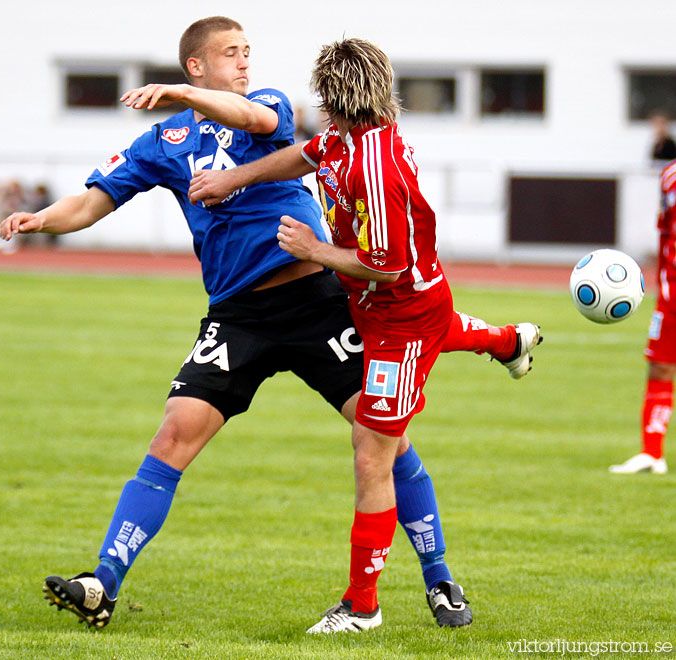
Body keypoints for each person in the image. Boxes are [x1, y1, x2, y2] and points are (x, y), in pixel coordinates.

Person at [0, 17, 536, 633]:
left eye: (248, 51)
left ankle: (438, 578)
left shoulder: (266, 105)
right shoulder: (161, 141)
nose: (246, 63)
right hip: (238, 315)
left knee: (381, 442)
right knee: (173, 436)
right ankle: (104, 581)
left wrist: (187, 96)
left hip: (316, 298)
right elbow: (92, 203)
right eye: (231, 54)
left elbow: (252, 122)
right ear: (196, 63)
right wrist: (40, 219)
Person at [188, 38, 541, 633]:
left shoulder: (376, 167)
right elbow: (303, 156)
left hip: (399, 320)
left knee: (372, 454)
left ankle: (363, 605)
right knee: (433, 345)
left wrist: (314, 249)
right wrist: (236, 178)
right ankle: (507, 341)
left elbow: (387, 265)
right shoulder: (349, 139)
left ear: (333, 96)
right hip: (385, 308)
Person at [610, 159, 676, 474]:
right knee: (660, 367)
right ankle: (652, 453)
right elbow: (665, 235)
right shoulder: (669, 176)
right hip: (671, 294)